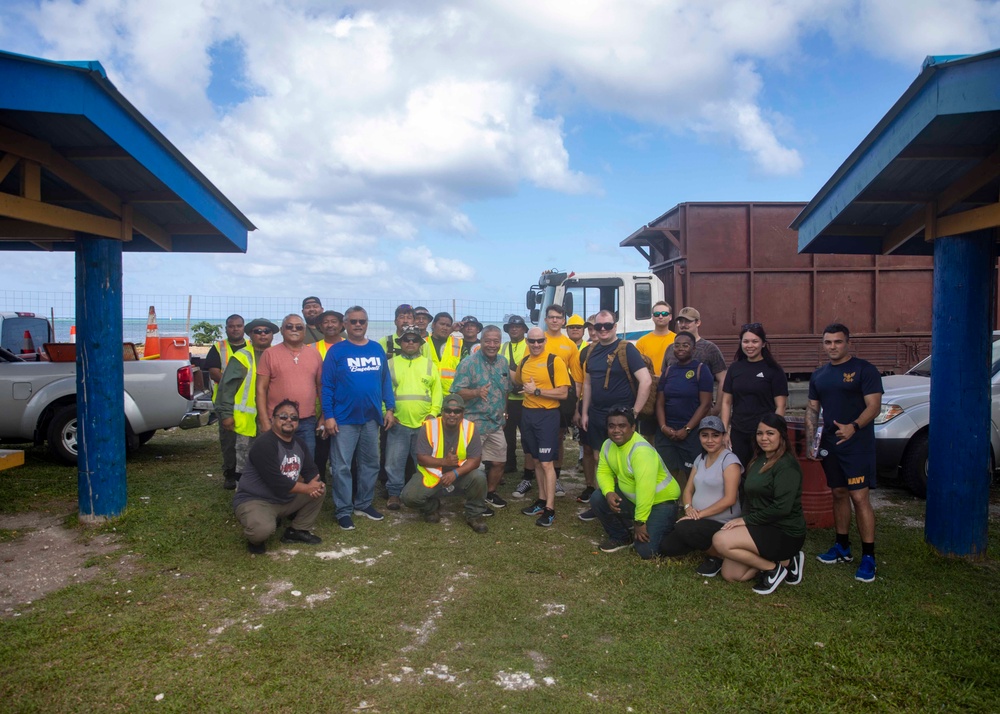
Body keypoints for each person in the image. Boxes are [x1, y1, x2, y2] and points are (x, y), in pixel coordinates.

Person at [807, 323, 883, 583]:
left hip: (857, 444)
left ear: (847, 342)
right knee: (838, 493)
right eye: (828, 342)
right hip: (830, 444)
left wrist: (854, 427)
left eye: (837, 342)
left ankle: (869, 557)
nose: (832, 347)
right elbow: (813, 410)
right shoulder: (819, 375)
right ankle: (842, 547)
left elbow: (874, 406)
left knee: (859, 497)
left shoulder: (864, 370)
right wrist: (810, 442)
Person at [712, 413, 806, 595]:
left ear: (781, 436)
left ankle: (772, 568)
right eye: (760, 433)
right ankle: (786, 562)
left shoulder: (787, 466)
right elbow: (749, 497)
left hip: (784, 531)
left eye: (770, 433)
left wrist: (745, 521)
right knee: (731, 574)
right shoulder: (757, 460)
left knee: (720, 540)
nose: (764, 438)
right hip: (761, 526)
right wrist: (744, 519)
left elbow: (782, 508)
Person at [322, 306, 396, 530]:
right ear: (345, 324)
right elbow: (326, 386)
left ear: (367, 323)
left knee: (370, 463)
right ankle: (343, 510)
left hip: (371, 419)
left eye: (361, 321)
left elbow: (385, 382)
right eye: (353, 321)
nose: (357, 325)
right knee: (342, 466)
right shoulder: (336, 351)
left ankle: (363, 503)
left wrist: (390, 408)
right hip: (343, 419)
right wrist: (329, 416)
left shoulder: (376, 349)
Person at [232, 399, 325, 554]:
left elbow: (311, 472)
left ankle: (297, 530)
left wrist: (314, 484)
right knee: (261, 531)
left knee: (320, 488)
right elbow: (276, 482)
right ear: (272, 419)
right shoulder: (264, 444)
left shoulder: (300, 444)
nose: (289, 420)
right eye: (283, 416)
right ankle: (256, 537)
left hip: (285, 498)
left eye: (294, 417)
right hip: (257, 500)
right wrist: (307, 487)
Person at [588, 406, 680, 558]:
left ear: (632, 427)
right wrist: (609, 492)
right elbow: (604, 472)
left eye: (622, 426)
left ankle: (668, 526)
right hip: (636, 500)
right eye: (611, 426)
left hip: (662, 503)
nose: (616, 430)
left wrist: (640, 522)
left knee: (646, 552)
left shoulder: (641, 451)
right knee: (598, 497)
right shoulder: (607, 445)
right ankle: (621, 536)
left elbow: (645, 490)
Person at [659, 416, 742, 575]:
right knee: (667, 547)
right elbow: (688, 490)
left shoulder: (730, 461)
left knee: (685, 528)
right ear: (699, 437)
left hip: (721, 522)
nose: (710, 440)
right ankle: (701, 540)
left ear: (724, 436)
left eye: (715, 435)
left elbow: (730, 499)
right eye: (705, 435)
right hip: (698, 519)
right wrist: (689, 508)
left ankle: (717, 556)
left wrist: (698, 515)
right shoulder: (700, 458)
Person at [401, 394, 490, 533]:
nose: (452, 414)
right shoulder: (429, 427)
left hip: (460, 473)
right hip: (432, 473)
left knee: (479, 477)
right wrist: (444, 462)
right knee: (408, 497)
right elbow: (421, 458)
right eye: (448, 411)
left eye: (457, 411)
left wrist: (455, 473)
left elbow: (475, 460)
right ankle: (432, 507)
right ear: (442, 412)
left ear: (463, 413)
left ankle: (474, 516)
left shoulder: (471, 428)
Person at [512, 327, 570, 527]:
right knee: (536, 460)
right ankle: (541, 500)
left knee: (546, 463)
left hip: (547, 416)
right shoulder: (525, 361)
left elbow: (563, 393)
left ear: (545, 341)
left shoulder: (555, 361)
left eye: (539, 341)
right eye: (532, 341)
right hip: (527, 414)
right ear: (527, 342)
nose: (536, 345)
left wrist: (537, 391)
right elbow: (518, 380)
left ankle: (550, 509)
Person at [580, 310, 652, 467]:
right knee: (599, 458)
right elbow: (587, 383)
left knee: (622, 460)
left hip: (621, 415)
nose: (603, 329)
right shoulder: (591, 350)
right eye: (599, 326)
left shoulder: (627, 349)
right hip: (597, 413)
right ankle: (604, 492)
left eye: (607, 325)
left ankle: (621, 491)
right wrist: (585, 413)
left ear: (615, 326)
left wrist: (635, 412)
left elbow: (646, 380)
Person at [451, 325, 510, 509]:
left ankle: (489, 493)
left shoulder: (503, 362)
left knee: (500, 461)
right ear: (481, 341)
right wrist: (476, 392)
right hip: (474, 423)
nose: (492, 345)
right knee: (473, 464)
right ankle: (473, 498)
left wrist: (505, 412)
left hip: (495, 423)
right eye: (488, 341)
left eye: (496, 341)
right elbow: (456, 392)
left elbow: (505, 390)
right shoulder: (468, 363)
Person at [384, 325, 442, 511]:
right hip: (398, 422)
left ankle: (423, 492)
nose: (410, 342)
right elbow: (383, 391)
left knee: (423, 462)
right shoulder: (391, 363)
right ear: (400, 342)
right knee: (394, 460)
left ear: (420, 343)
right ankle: (394, 494)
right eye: (406, 339)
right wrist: (388, 412)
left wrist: (433, 414)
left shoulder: (429, 364)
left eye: (414, 340)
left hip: (425, 424)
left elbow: (437, 392)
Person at [216, 318, 277, 489]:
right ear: (250, 334)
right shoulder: (242, 356)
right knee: (244, 461)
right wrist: (226, 414)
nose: (263, 334)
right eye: (258, 331)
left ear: (273, 335)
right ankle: (243, 495)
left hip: (273, 418)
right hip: (248, 420)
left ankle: (267, 493)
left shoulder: (277, 355)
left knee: (269, 458)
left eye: (267, 331)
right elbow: (227, 388)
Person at [720, 322, 788, 469]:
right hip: (738, 433)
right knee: (739, 476)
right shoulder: (735, 368)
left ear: (763, 344)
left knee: (760, 476)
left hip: (763, 435)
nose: (750, 345)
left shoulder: (773, 370)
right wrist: (724, 431)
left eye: (754, 341)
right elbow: (726, 402)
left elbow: (781, 406)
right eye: (746, 341)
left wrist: (772, 433)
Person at [256, 314, 324, 459]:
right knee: (278, 461)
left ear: (304, 331)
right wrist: (264, 420)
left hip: (306, 421)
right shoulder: (269, 354)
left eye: (299, 327)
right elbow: (261, 389)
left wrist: (324, 415)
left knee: (306, 460)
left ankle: (305, 483)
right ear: (281, 330)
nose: (294, 329)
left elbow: (321, 386)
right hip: (278, 420)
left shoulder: (315, 354)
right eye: (289, 326)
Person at [655, 331, 713, 484]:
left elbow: (705, 404)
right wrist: (663, 427)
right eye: (677, 345)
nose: (680, 348)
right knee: (667, 473)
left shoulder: (701, 370)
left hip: (691, 433)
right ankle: (670, 505)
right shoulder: (669, 371)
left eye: (685, 345)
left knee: (691, 474)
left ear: (693, 349)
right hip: (667, 432)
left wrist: (687, 429)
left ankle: (688, 505)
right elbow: (660, 402)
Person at [541, 304, 584, 497]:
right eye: (551, 317)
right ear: (546, 319)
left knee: (558, 438)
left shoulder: (569, 345)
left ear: (563, 321)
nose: (555, 320)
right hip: (539, 397)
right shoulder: (537, 339)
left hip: (561, 398)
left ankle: (555, 478)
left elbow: (577, 378)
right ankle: (531, 476)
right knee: (536, 437)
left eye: (558, 317)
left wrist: (576, 407)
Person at [206, 314, 245, 489]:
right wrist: (232, 383)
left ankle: (246, 473)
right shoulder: (218, 347)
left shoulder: (252, 346)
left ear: (244, 327)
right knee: (229, 440)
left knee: (248, 439)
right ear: (226, 328)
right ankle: (230, 473)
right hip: (225, 402)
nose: (235, 329)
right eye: (231, 326)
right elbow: (214, 372)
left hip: (247, 402)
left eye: (238, 326)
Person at [665, 307, 727, 415]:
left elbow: (723, 379)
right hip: (674, 412)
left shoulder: (710, 348)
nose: (683, 325)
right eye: (681, 321)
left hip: (701, 411)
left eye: (688, 321)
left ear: (698, 322)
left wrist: (717, 408)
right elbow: (665, 378)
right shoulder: (671, 349)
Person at [502, 315, 538, 492]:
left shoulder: (530, 345)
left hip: (527, 399)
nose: (514, 329)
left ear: (524, 329)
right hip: (509, 398)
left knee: (527, 436)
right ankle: (509, 464)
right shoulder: (504, 347)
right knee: (507, 434)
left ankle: (529, 470)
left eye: (517, 327)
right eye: (511, 327)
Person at [311, 310, 345, 480]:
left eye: (334, 321)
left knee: (344, 450)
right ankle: (319, 484)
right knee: (320, 449)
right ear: (320, 326)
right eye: (326, 322)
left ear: (342, 324)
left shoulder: (351, 345)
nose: (330, 325)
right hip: (319, 406)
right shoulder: (312, 348)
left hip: (344, 405)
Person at [635, 301, 676, 439]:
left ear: (670, 317)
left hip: (671, 389)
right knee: (648, 434)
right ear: (652, 317)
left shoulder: (677, 340)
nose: (660, 316)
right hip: (650, 391)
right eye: (657, 314)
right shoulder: (642, 342)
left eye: (664, 313)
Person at [424, 312, 463, 394]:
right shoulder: (423, 343)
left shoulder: (458, 343)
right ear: (433, 325)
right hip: (428, 391)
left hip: (451, 394)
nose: (445, 328)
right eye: (442, 324)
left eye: (448, 326)